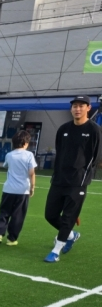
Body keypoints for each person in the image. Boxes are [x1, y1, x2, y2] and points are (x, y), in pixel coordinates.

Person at [43, 95, 101, 263]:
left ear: (88, 108)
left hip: (78, 182)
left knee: (68, 217)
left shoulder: (94, 130)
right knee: (50, 215)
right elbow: (60, 152)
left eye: (81, 106)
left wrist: (83, 174)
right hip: (59, 180)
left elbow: (96, 156)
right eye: (75, 106)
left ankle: (56, 250)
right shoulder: (63, 129)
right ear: (71, 108)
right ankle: (70, 235)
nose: (77, 109)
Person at [0, 130, 36, 246]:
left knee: (4, 212)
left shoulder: (9, 155)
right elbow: (32, 173)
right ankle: (12, 239)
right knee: (18, 215)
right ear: (26, 143)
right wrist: (32, 187)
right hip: (23, 191)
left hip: (8, 189)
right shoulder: (29, 155)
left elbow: (6, 165)